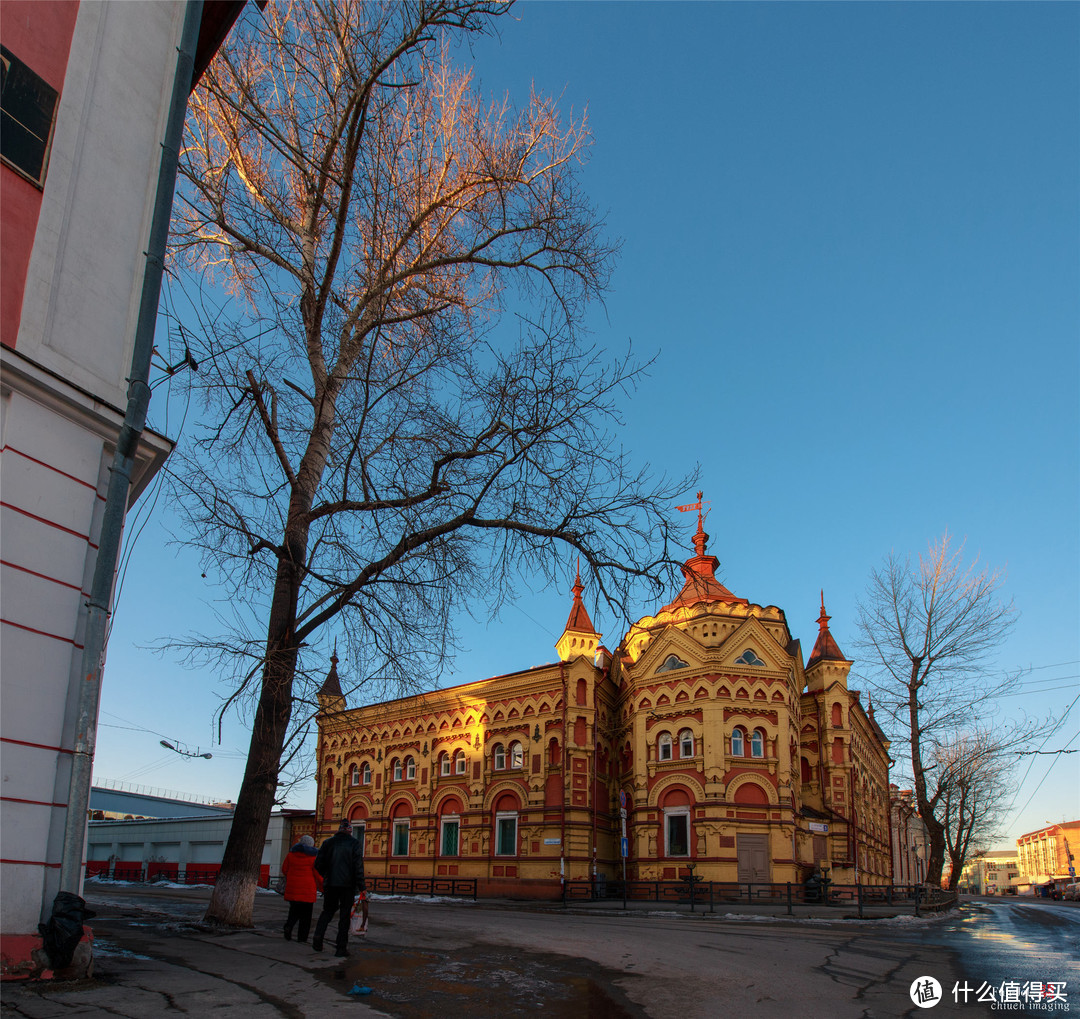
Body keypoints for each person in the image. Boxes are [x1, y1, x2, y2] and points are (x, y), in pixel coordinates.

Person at [312, 818, 366, 957]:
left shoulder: (327, 843)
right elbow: (358, 867)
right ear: (349, 830)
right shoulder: (354, 844)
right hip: (348, 885)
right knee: (344, 916)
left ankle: (318, 937)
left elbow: (318, 864)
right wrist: (362, 886)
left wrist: (327, 874)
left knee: (328, 911)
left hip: (330, 884)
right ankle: (341, 948)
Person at [281, 834, 322, 943]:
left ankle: (289, 926)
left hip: (293, 888)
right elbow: (318, 874)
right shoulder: (313, 857)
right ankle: (302, 938)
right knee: (306, 916)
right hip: (307, 890)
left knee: (294, 911)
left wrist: (292, 876)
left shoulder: (291, 855)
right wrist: (323, 886)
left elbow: (284, 869)